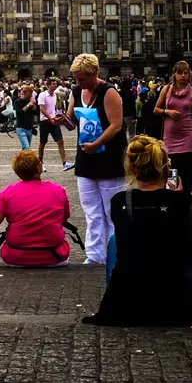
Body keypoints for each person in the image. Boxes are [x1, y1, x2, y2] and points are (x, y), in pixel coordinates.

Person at [82, 136, 192, 326]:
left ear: (132, 168)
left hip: (125, 298)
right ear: (165, 168)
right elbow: (191, 246)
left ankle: (116, 289)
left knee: (115, 242)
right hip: (173, 298)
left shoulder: (119, 201)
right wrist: (176, 199)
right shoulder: (183, 202)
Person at [65, 54, 128, 265]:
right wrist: (59, 120)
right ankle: (94, 255)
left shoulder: (109, 92)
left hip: (109, 158)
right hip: (86, 158)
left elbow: (116, 125)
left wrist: (96, 144)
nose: (78, 82)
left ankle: (115, 253)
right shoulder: (76, 91)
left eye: (82, 78)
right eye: (76, 78)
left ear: (95, 73)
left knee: (112, 212)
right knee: (91, 212)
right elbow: (71, 122)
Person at [0, 149, 72, 269]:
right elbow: (63, 219)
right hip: (54, 256)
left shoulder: (6, 193)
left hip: (16, 257)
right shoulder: (58, 190)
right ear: (38, 168)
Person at [154, 61, 192, 195]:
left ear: (189, 75)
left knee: (186, 173)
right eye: (180, 73)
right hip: (170, 137)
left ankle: (186, 200)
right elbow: (156, 109)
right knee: (171, 172)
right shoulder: (167, 90)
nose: (183, 76)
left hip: (188, 136)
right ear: (174, 74)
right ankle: (173, 200)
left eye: (185, 73)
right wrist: (167, 112)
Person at [38, 77, 74, 172]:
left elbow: (55, 108)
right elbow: (42, 109)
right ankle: (40, 163)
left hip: (54, 121)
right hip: (45, 121)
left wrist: (59, 116)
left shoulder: (55, 95)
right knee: (42, 142)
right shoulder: (42, 95)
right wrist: (50, 118)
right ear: (48, 85)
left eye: (56, 84)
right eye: (53, 84)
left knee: (60, 141)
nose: (55, 85)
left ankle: (65, 163)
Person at [13, 84, 38, 150]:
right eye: (29, 94)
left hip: (29, 128)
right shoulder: (17, 101)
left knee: (26, 148)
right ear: (24, 93)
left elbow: (35, 113)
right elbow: (20, 112)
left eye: (31, 94)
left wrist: (34, 106)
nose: (30, 95)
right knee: (26, 147)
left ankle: (22, 156)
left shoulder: (30, 101)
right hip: (21, 128)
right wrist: (28, 105)